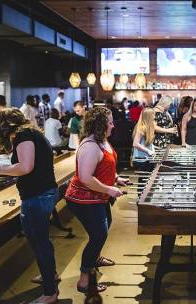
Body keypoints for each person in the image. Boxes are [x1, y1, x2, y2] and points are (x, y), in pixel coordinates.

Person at [0, 108, 59, 304]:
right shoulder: (30, 133)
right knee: (42, 241)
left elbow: (25, 167)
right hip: (44, 192)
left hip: (37, 196)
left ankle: (50, 293)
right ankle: (50, 274)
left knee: (38, 243)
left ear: (4, 125)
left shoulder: (24, 136)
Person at [64, 106, 130, 294]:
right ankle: (84, 280)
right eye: (109, 122)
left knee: (105, 225)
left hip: (98, 196)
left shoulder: (102, 141)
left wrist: (116, 178)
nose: (113, 125)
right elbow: (86, 177)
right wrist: (109, 189)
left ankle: (96, 257)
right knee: (98, 235)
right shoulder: (90, 146)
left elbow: (105, 165)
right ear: (100, 125)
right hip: (83, 198)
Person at [132, 108, 155, 175]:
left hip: (146, 158)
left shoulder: (147, 127)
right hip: (141, 160)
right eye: (153, 115)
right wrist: (148, 151)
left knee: (146, 180)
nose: (154, 117)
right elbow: (135, 144)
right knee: (144, 181)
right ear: (149, 117)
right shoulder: (142, 128)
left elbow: (148, 143)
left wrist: (153, 148)